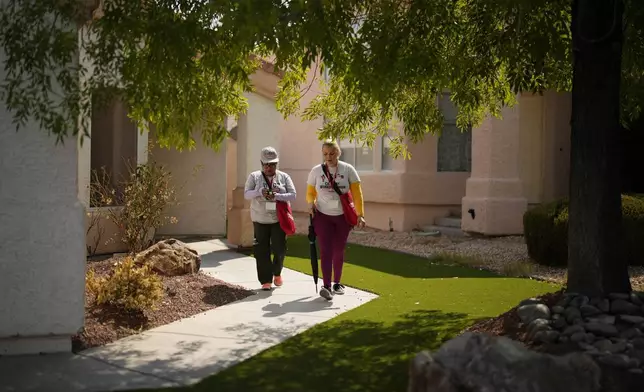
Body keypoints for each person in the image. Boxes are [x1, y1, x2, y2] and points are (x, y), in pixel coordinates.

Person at [306, 140, 366, 300]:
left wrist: (360, 214)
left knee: (338, 250)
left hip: (342, 217)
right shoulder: (316, 171)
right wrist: (310, 203)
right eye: (325, 154)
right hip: (322, 216)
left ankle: (337, 283)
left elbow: (357, 193)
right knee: (325, 250)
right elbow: (310, 192)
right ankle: (326, 286)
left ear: (338, 153)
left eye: (332, 153)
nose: (329, 157)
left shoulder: (348, 169)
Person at [244, 146, 297, 290]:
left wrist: (278, 195)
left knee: (280, 249)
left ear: (276, 164)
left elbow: (293, 195)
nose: (269, 167)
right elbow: (247, 194)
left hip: (278, 219)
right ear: (261, 163)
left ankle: (277, 272)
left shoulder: (284, 177)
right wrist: (259, 191)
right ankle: (265, 280)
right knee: (261, 251)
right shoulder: (254, 177)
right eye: (266, 164)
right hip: (260, 219)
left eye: (272, 164)